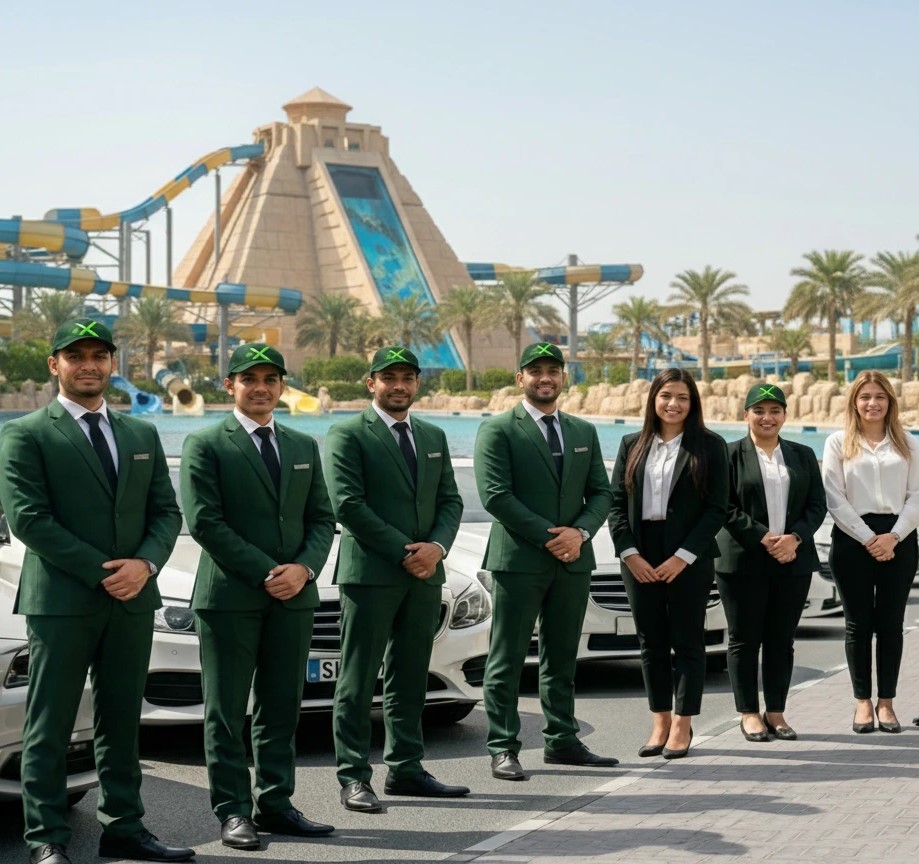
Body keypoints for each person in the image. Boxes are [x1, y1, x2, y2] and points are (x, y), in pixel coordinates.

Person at [0, 318, 191, 864]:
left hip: (133, 599)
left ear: (111, 363)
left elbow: (166, 512)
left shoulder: (140, 434)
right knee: (51, 722)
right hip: (62, 602)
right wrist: (107, 572)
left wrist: (145, 565)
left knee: (122, 719)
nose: (89, 365)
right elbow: (30, 519)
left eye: (99, 356)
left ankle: (125, 828)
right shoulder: (25, 433)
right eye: (76, 356)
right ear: (54, 364)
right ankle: (46, 838)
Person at [180, 343, 336, 849]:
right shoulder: (206, 443)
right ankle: (232, 811)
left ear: (283, 386)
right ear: (230, 385)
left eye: (271, 380)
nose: (261, 388)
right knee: (226, 712)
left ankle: (276, 803)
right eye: (250, 379)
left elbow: (322, 518)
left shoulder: (303, 446)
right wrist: (270, 572)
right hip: (230, 598)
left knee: (281, 706)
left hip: (294, 597)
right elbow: (206, 522)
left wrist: (304, 569)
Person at [324, 346, 467, 813]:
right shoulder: (347, 433)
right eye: (389, 378)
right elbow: (347, 504)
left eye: (407, 377)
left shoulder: (432, 435)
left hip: (425, 574)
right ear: (372, 383)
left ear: (417, 383)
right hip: (371, 573)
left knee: (410, 675)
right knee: (358, 678)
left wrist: (437, 548)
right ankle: (353, 776)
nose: (399, 385)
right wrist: (407, 552)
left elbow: (450, 500)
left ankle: (406, 767)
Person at [474, 342, 615, 781]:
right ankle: (503, 747)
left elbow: (602, 493)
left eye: (553, 370)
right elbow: (496, 495)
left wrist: (580, 533)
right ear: (521, 378)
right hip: (519, 561)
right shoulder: (498, 429)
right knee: (507, 657)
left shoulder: (583, 431)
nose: (545, 378)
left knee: (562, 657)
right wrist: (551, 538)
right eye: (536, 371)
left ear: (563, 377)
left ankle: (562, 741)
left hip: (573, 560)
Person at [608, 367, 728, 759]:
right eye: (666, 396)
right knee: (651, 642)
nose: (673, 404)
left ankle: (682, 724)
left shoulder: (710, 446)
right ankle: (659, 721)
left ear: (692, 403)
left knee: (688, 641)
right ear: (653, 400)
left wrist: (683, 557)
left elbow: (717, 509)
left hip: (688, 555)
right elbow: (615, 504)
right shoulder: (631, 444)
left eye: (682, 397)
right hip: (640, 552)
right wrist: (629, 554)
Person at [716, 384, 826, 742]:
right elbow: (723, 506)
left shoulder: (802, 454)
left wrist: (794, 538)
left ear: (784, 415)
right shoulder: (728, 454)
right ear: (745, 414)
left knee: (781, 640)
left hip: (792, 559)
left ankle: (775, 711)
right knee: (744, 639)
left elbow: (816, 505)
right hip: (743, 560)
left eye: (775, 410)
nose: (767, 417)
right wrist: (763, 536)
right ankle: (748, 713)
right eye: (759, 410)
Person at [822, 369, 919, 734]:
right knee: (857, 624)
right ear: (854, 402)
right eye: (865, 397)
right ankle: (862, 701)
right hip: (852, 539)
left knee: (891, 625)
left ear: (890, 402)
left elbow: (917, 495)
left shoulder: (908, 443)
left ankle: (887, 703)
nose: (872, 403)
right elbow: (834, 497)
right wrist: (868, 538)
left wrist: (893, 536)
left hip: (899, 539)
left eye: (879, 397)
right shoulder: (837, 443)